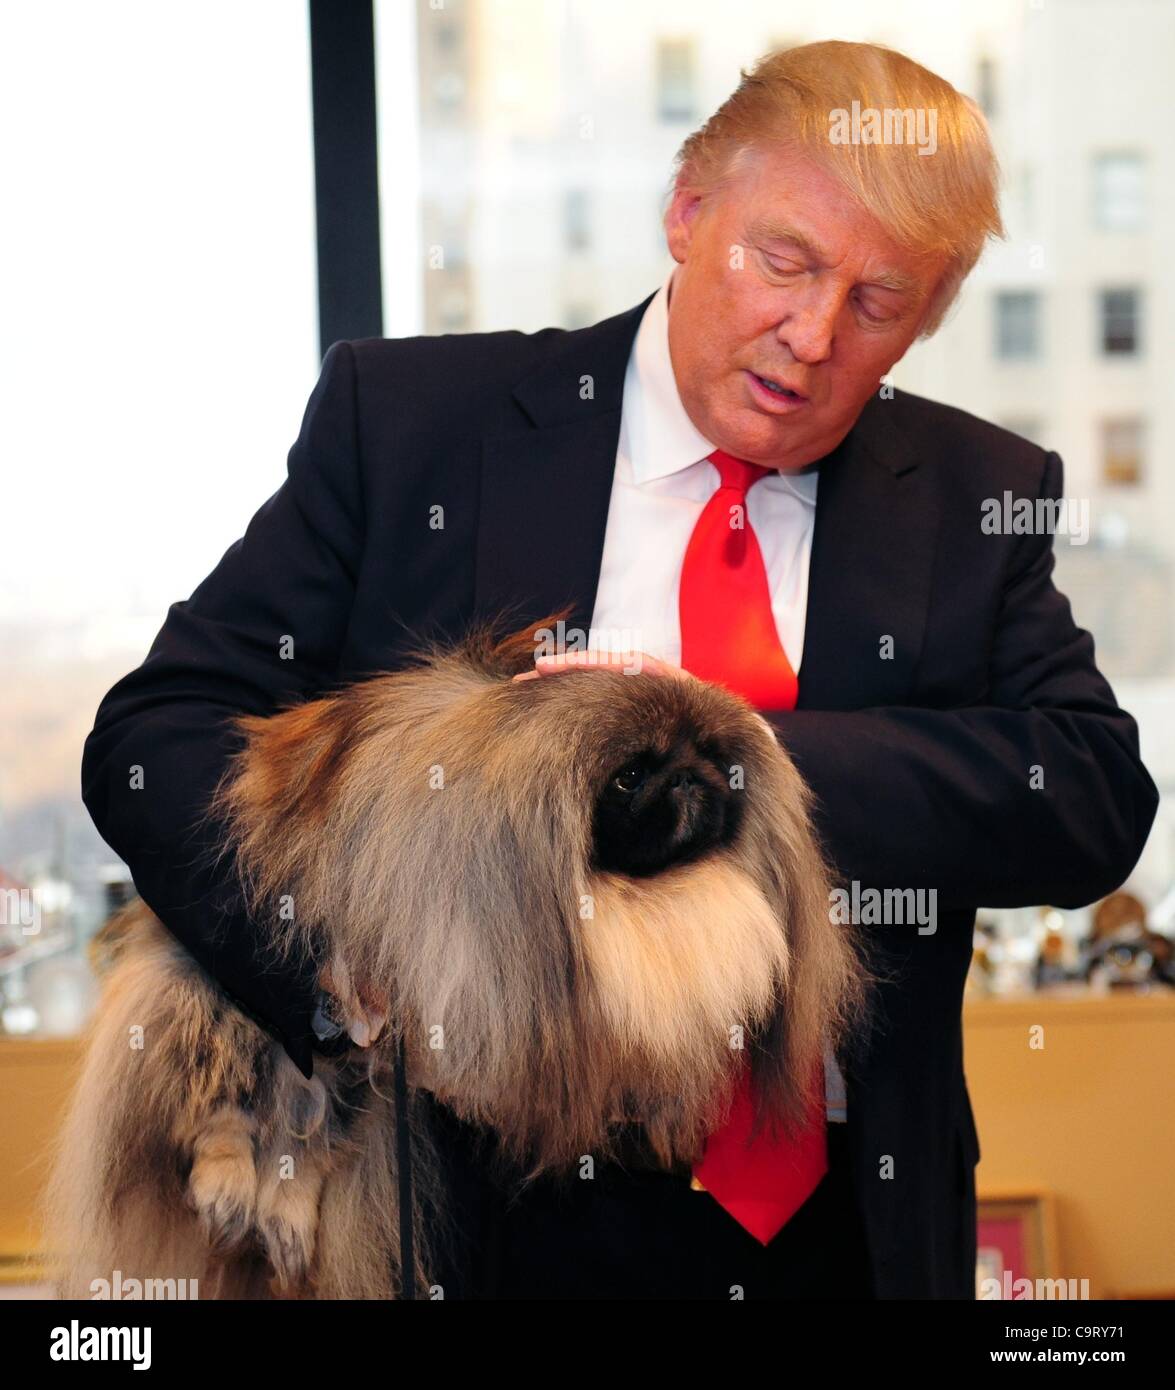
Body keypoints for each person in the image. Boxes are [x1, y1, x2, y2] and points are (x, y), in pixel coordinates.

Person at [81, 41, 1158, 1299]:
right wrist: (341, 981)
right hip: (471, 1215)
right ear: (687, 209)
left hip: (834, 1239)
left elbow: (1088, 795)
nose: (808, 336)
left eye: (877, 301)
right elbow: (156, 733)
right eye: (783, 260)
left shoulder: (977, 493)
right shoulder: (417, 426)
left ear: (930, 314)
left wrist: (719, 753)